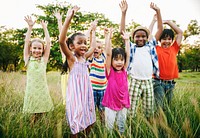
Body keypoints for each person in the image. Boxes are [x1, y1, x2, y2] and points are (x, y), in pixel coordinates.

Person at [119, 0, 163, 118]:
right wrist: (124, 13)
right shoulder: (132, 47)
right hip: (134, 81)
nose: (140, 38)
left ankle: (148, 126)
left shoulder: (150, 46)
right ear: (133, 37)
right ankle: (131, 128)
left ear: (147, 37)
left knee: (149, 110)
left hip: (148, 81)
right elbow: (122, 32)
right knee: (131, 111)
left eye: (143, 36)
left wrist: (158, 12)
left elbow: (160, 30)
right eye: (137, 36)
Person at [59, 6, 96, 137]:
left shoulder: (85, 58)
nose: (84, 45)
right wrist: (68, 18)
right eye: (80, 42)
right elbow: (61, 40)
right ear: (72, 46)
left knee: (89, 117)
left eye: (85, 43)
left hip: (86, 93)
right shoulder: (72, 59)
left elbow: (93, 46)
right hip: (75, 95)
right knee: (76, 118)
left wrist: (93, 31)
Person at [22, 15, 54, 124]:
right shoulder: (27, 59)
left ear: (42, 50)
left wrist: (45, 28)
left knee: (43, 115)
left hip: (42, 91)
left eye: (39, 48)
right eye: (34, 48)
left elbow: (48, 43)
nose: (37, 50)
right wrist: (30, 27)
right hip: (31, 91)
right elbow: (27, 42)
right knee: (33, 116)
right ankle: (33, 130)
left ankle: (41, 130)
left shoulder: (43, 60)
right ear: (30, 49)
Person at [149, 14, 183, 111]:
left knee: (167, 108)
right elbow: (149, 35)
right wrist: (153, 21)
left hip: (170, 84)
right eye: (164, 39)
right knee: (159, 107)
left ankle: (163, 124)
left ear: (172, 40)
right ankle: (156, 124)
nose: (167, 41)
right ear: (160, 40)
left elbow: (180, 33)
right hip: (158, 82)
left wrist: (168, 22)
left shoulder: (174, 48)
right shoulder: (156, 48)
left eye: (169, 39)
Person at [102, 28, 130, 134]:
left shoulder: (124, 70)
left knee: (121, 128)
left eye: (121, 59)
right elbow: (108, 54)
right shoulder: (109, 71)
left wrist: (127, 41)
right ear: (112, 60)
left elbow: (128, 55)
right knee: (109, 128)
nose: (119, 62)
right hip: (111, 104)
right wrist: (108, 38)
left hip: (123, 104)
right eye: (116, 59)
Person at [88, 39, 107, 123]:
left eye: (98, 47)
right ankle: (91, 124)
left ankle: (103, 126)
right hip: (93, 89)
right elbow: (92, 48)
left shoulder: (104, 60)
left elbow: (106, 50)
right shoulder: (92, 60)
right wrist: (94, 31)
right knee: (92, 109)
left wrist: (107, 36)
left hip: (103, 90)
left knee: (102, 110)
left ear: (101, 51)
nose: (96, 49)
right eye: (94, 47)